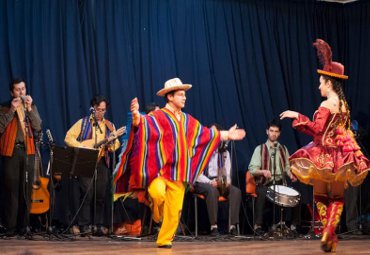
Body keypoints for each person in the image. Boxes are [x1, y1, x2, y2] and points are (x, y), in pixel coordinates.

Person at [113, 77, 245, 248]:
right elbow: (145, 124)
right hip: (161, 172)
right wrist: (137, 117)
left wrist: (226, 134)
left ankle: (164, 241)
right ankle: (157, 213)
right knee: (157, 194)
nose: (185, 98)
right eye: (181, 95)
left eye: (184, 95)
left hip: (179, 173)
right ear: (170, 97)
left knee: (175, 211)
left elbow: (204, 134)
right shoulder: (159, 115)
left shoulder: (187, 119)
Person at [280, 39, 370, 252]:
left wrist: (297, 116)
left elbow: (317, 130)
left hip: (323, 153)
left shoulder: (326, 103)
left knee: (320, 194)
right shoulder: (343, 104)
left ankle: (328, 232)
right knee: (337, 196)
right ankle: (331, 232)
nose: (318, 85)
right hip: (341, 154)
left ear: (329, 83)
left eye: (321, 82)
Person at [64, 95, 123, 236]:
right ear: (93, 108)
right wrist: (83, 147)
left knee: (101, 194)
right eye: (98, 109)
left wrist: (111, 142)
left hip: (102, 161)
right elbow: (68, 137)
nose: (100, 112)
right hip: (86, 160)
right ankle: (84, 225)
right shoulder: (83, 123)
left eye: (103, 110)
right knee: (87, 193)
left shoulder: (109, 126)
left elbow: (116, 145)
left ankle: (98, 224)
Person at [0, 79, 42, 236]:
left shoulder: (31, 106)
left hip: (28, 151)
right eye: (18, 90)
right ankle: (10, 227)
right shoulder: (4, 107)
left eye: (23, 89)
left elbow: (38, 126)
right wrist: (12, 109)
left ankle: (24, 226)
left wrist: (30, 108)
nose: (21, 92)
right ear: (12, 93)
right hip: (11, 152)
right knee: (11, 191)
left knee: (26, 190)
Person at [248, 119, 298, 235]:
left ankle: (293, 226)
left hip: (280, 183)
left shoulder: (283, 149)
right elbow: (252, 169)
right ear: (267, 132)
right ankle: (258, 226)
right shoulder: (259, 149)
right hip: (265, 183)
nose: (273, 134)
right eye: (271, 131)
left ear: (279, 133)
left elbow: (286, 167)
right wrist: (263, 172)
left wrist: (291, 175)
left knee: (296, 195)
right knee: (262, 193)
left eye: (276, 131)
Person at [194, 124, 242, 236]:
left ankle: (232, 226)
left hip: (220, 180)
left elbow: (228, 171)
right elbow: (196, 173)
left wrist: (226, 181)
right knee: (212, 190)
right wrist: (210, 182)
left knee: (236, 191)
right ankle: (214, 226)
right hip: (203, 181)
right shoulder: (201, 151)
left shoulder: (225, 152)